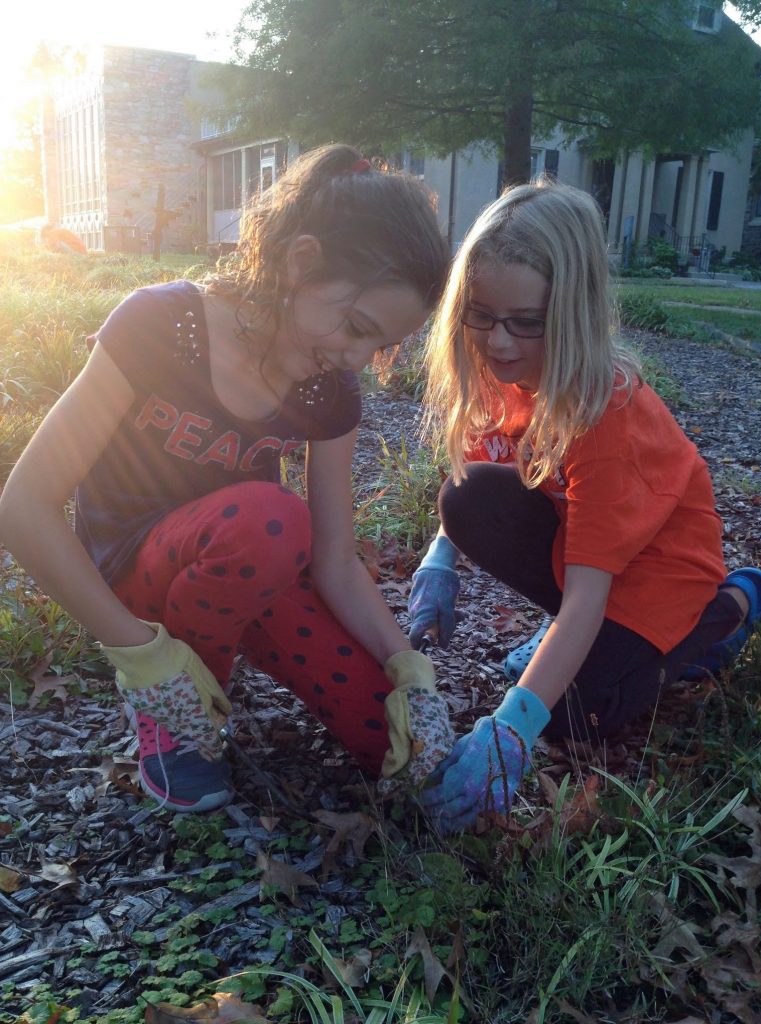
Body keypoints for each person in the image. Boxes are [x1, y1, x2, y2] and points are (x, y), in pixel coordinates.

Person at [0, 145, 454, 813]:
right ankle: (176, 717)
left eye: (380, 345)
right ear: (301, 262)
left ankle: (209, 672)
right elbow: (24, 506)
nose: (358, 357)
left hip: (240, 573)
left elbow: (332, 559)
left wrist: (406, 668)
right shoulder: (163, 324)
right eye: (357, 327)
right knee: (271, 520)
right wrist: (141, 658)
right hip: (134, 580)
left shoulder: (330, 389)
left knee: (389, 735)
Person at [409, 179, 761, 833]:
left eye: (526, 322)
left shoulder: (605, 416)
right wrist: (440, 558)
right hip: (590, 552)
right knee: (467, 500)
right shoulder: (508, 368)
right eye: (481, 313)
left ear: (573, 313)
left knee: (578, 715)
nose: (497, 342)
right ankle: (591, 653)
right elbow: (480, 466)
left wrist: (511, 726)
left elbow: (586, 596)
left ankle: (729, 609)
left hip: (662, 574)